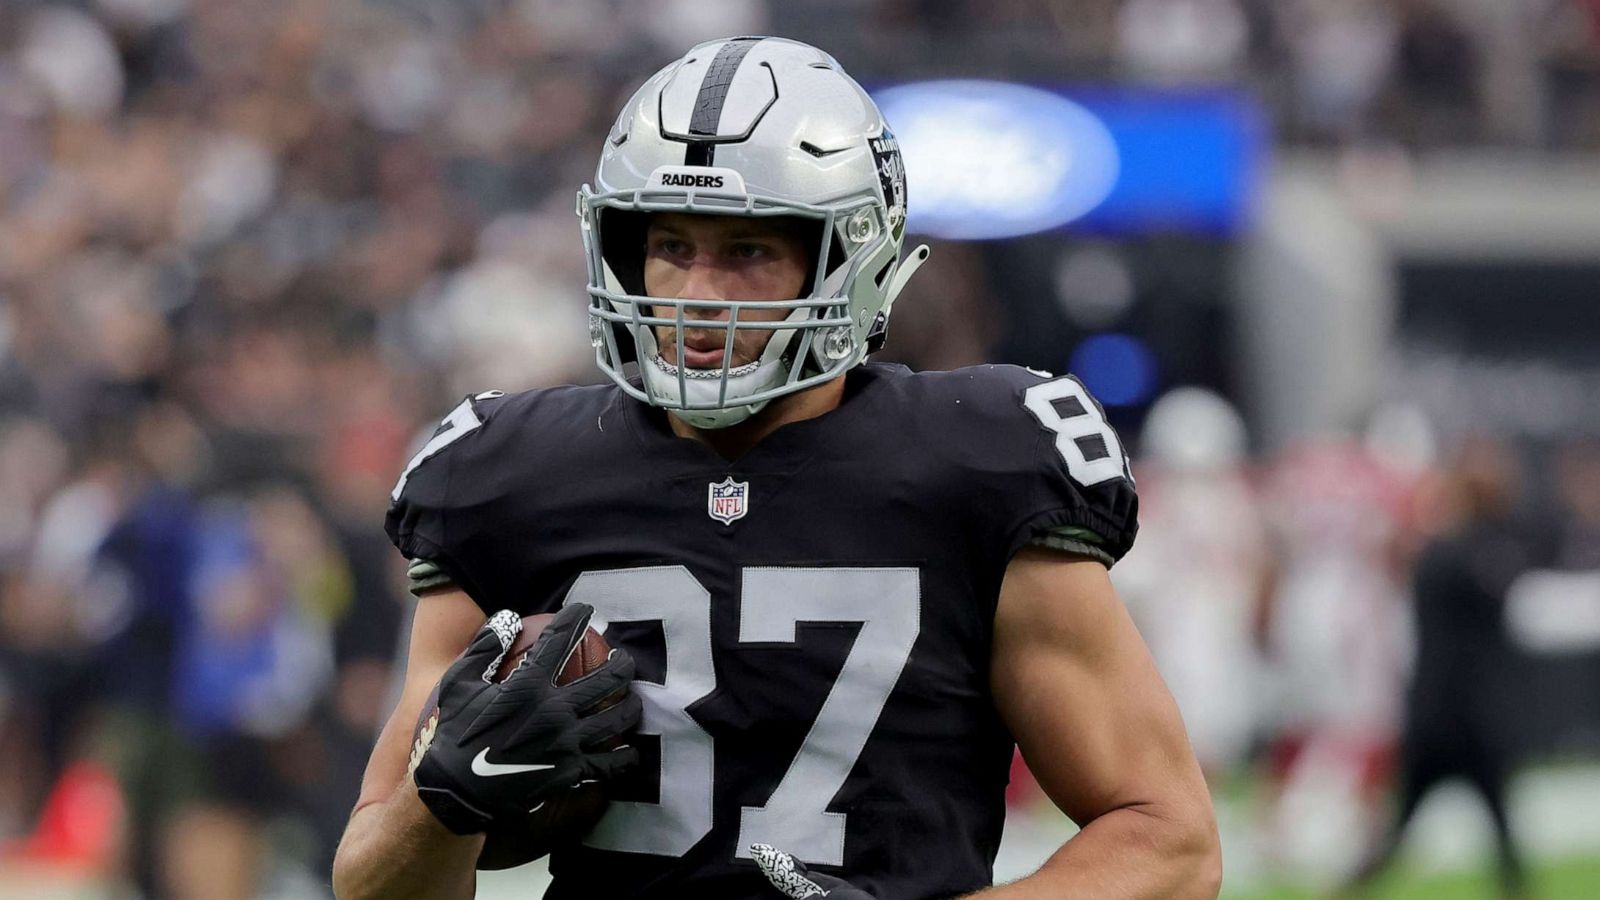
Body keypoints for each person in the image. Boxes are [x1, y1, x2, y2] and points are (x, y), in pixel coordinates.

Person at [332, 36, 1218, 900]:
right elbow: (370, 883)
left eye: (747, 252)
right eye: (671, 247)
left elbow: (1169, 843)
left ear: (851, 260)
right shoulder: (509, 474)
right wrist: (441, 803)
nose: (697, 294)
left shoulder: (977, 460)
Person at [1343, 438, 1528, 899]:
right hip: (1469, 715)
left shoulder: (1436, 552)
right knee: (1500, 833)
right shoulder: (1480, 554)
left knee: (1406, 831)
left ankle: (1343, 890)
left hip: (1432, 712)